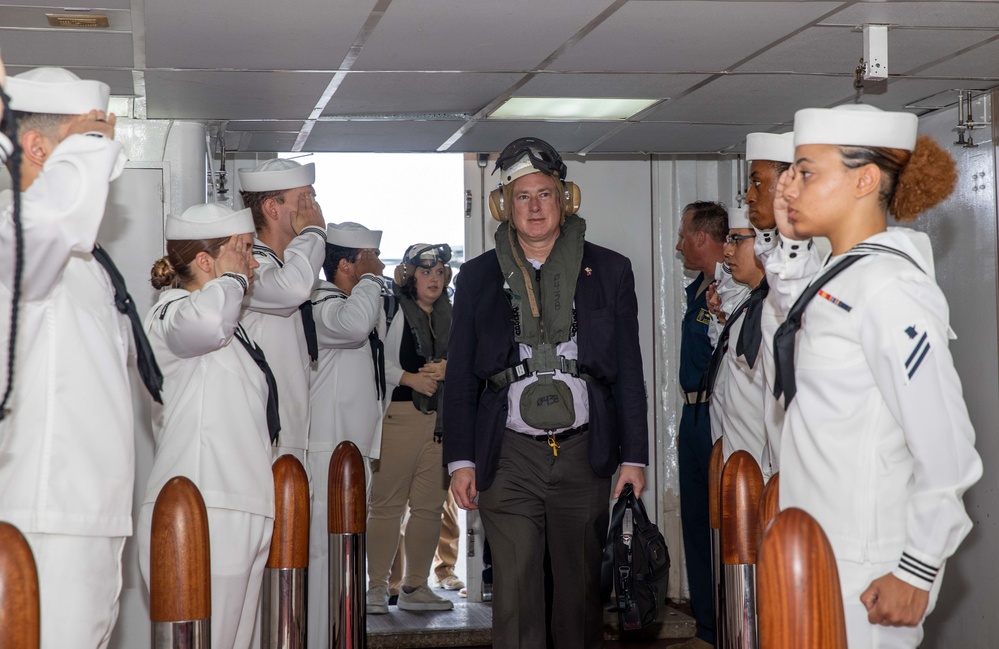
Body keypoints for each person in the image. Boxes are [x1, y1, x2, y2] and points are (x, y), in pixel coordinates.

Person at [775, 104, 982, 648]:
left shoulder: (890, 288)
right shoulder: (842, 273)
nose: (788, 186)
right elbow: (792, 311)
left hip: (862, 570)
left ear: (865, 179)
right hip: (817, 551)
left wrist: (917, 570)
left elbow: (947, 449)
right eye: (790, 171)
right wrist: (791, 240)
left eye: (806, 171)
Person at [444, 137, 647, 649]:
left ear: (565, 200)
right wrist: (459, 460)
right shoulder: (475, 279)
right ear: (503, 207)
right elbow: (463, 375)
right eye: (521, 196)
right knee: (514, 594)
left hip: (584, 452)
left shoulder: (611, 271)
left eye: (545, 195)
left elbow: (628, 372)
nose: (534, 207)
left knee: (579, 597)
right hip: (507, 455)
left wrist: (636, 458)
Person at [0, 65, 150, 649]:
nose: (104, 158)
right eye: (88, 138)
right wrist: (89, 150)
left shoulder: (81, 262)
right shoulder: (16, 234)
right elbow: (51, 225)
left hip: (90, 518)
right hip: (45, 518)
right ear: (37, 148)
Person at [138, 202, 273, 649]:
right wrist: (232, 277)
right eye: (244, 251)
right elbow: (206, 322)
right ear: (205, 261)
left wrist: (230, 276)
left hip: (239, 506)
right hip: (201, 511)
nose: (253, 264)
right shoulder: (171, 313)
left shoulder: (233, 326)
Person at [307, 221, 386, 645]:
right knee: (324, 562)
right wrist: (371, 279)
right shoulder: (322, 304)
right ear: (344, 265)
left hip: (353, 454)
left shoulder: (355, 304)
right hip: (326, 453)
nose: (376, 269)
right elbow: (354, 328)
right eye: (367, 261)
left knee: (346, 564)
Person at [368, 243, 455, 614]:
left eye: (439, 273)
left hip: (440, 421)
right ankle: (374, 587)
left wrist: (449, 368)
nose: (433, 279)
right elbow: (372, 357)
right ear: (408, 276)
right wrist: (409, 378)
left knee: (429, 508)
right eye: (425, 272)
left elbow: (471, 358)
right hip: (398, 418)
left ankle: (415, 585)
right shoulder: (389, 310)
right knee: (387, 506)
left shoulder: (453, 314)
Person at [238, 158, 327, 465]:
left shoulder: (283, 266)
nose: (313, 208)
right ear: (272, 209)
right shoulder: (248, 268)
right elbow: (294, 289)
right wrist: (313, 233)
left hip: (291, 428)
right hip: (262, 429)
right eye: (304, 199)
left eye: (313, 198)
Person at [742, 131, 818, 475]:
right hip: (780, 461)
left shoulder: (822, 267)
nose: (748, 195)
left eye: (758, 182)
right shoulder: (782, 269)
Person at [673, 199, 726, 649]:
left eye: (683, 235)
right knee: (694, 522)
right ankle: (706, 631)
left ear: (702, 238)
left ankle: (729, 630)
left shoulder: (733, 287)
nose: (678, 244)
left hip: (718, 416)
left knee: (722, 524)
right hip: (691, 415)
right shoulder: (698, 289)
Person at [704, 205, 767, 466]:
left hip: (761, 469)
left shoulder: (775, 309)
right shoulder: (748, 306)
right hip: (734, 457)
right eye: (728, 240)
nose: (727, 250)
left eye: (736, 240)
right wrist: (720, 320)